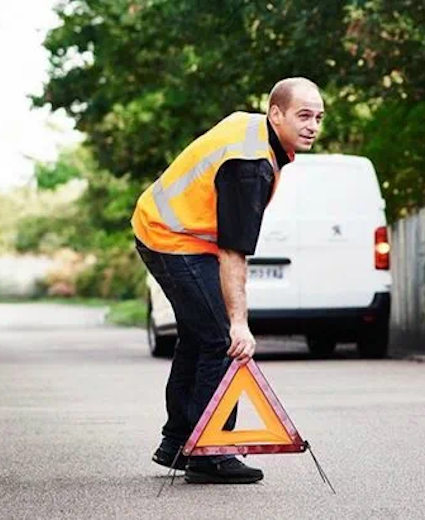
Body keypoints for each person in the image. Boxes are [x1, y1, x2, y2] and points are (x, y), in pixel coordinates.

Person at [131, 77, 324, 484]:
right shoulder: (249, 167)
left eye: (319, 117)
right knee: (221, 339)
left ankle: (179, 442)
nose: (313, 126)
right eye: (303, 115)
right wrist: (239, 323)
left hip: (164, 229)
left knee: (199, 335)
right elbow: (233, 252)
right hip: (172, 239)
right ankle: (210, 454)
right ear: (276, 113)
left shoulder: (254, 129)